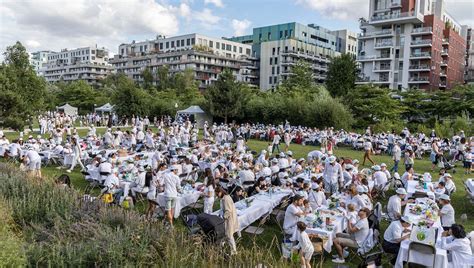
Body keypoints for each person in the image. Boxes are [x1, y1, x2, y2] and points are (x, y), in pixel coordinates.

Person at [216, 187, 239, 255]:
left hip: (229, 219)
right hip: (229, 218)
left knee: (229, 236)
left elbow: (228, 211)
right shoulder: (225, 197)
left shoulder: (226, 199)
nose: (217, 195)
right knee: (225, 235)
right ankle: (220, 247)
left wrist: (223, 217)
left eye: (217, 194)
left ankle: (234, 252)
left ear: (220, 192)